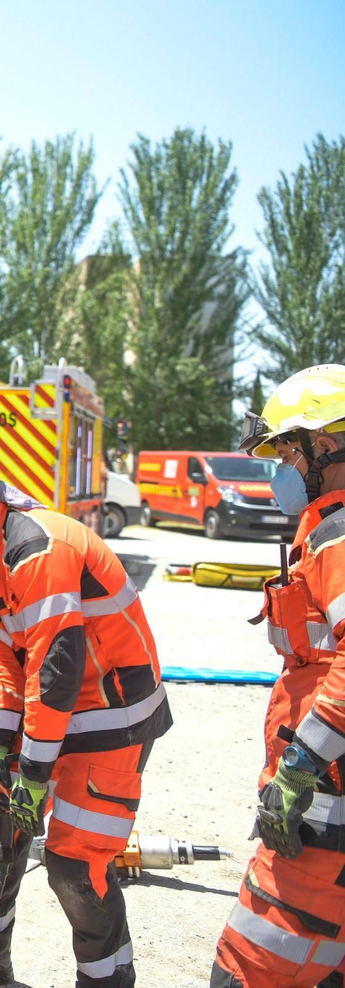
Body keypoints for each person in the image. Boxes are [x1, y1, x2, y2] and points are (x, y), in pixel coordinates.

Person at [0, 429, 171, 988]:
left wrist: (37, 773)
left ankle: (105, 980)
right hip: (58, 713)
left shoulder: (36, 547)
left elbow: (56, 673)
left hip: (110, 721)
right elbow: (3, 651)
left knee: (75, 864)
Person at [211, 364, 345, 988]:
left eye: (285, 451)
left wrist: (298, 768)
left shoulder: (339, 535)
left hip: (325, 802)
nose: (278, 468)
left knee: (248, 967)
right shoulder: (324, 527)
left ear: (323, 447)